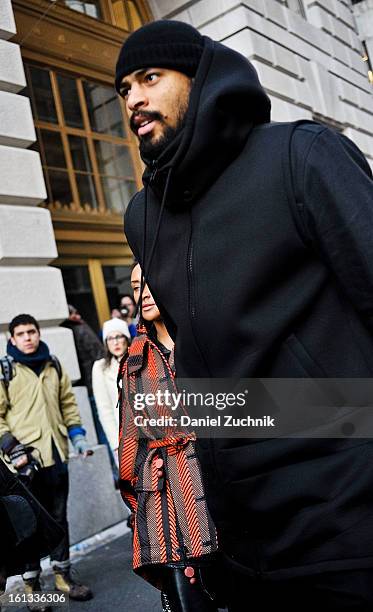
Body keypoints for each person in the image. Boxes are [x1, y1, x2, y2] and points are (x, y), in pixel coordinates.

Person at [115, 20, 373, 610]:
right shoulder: (142, 216)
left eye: (150, 77)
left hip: (348, 519)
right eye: (124, 87)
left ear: (201, 79)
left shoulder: (301, 154)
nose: (133, 98)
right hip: (241, 542)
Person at [118, 263, 219, 612]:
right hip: (169, 496)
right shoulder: (135, 358)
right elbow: (130, 433)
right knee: (190, 597)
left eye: (149, 281)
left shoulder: (205, 337)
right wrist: (142, 481)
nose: (142, 292)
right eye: (135, 286)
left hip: (219, 475)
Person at [0, 314, 93, 604]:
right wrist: (14, 449)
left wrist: (78, 437)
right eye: (21, 334)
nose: (28, 338)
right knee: (28, 527)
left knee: (59, 519)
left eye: (32, 332)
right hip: (23, 465)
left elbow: (68, 403)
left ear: (38, 334)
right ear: (12, 339)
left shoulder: (53, 364)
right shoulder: (6, 370)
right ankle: (32, 588)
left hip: (56, 456)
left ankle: (64, 578)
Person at [92, 318, 131, 467]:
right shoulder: (100, 368)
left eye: (118, 336)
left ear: (126, 338)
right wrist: (116, 444)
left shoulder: (139, 360)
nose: (115, 342)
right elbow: (104, 408)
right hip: (122, 438)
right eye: (110, 338)